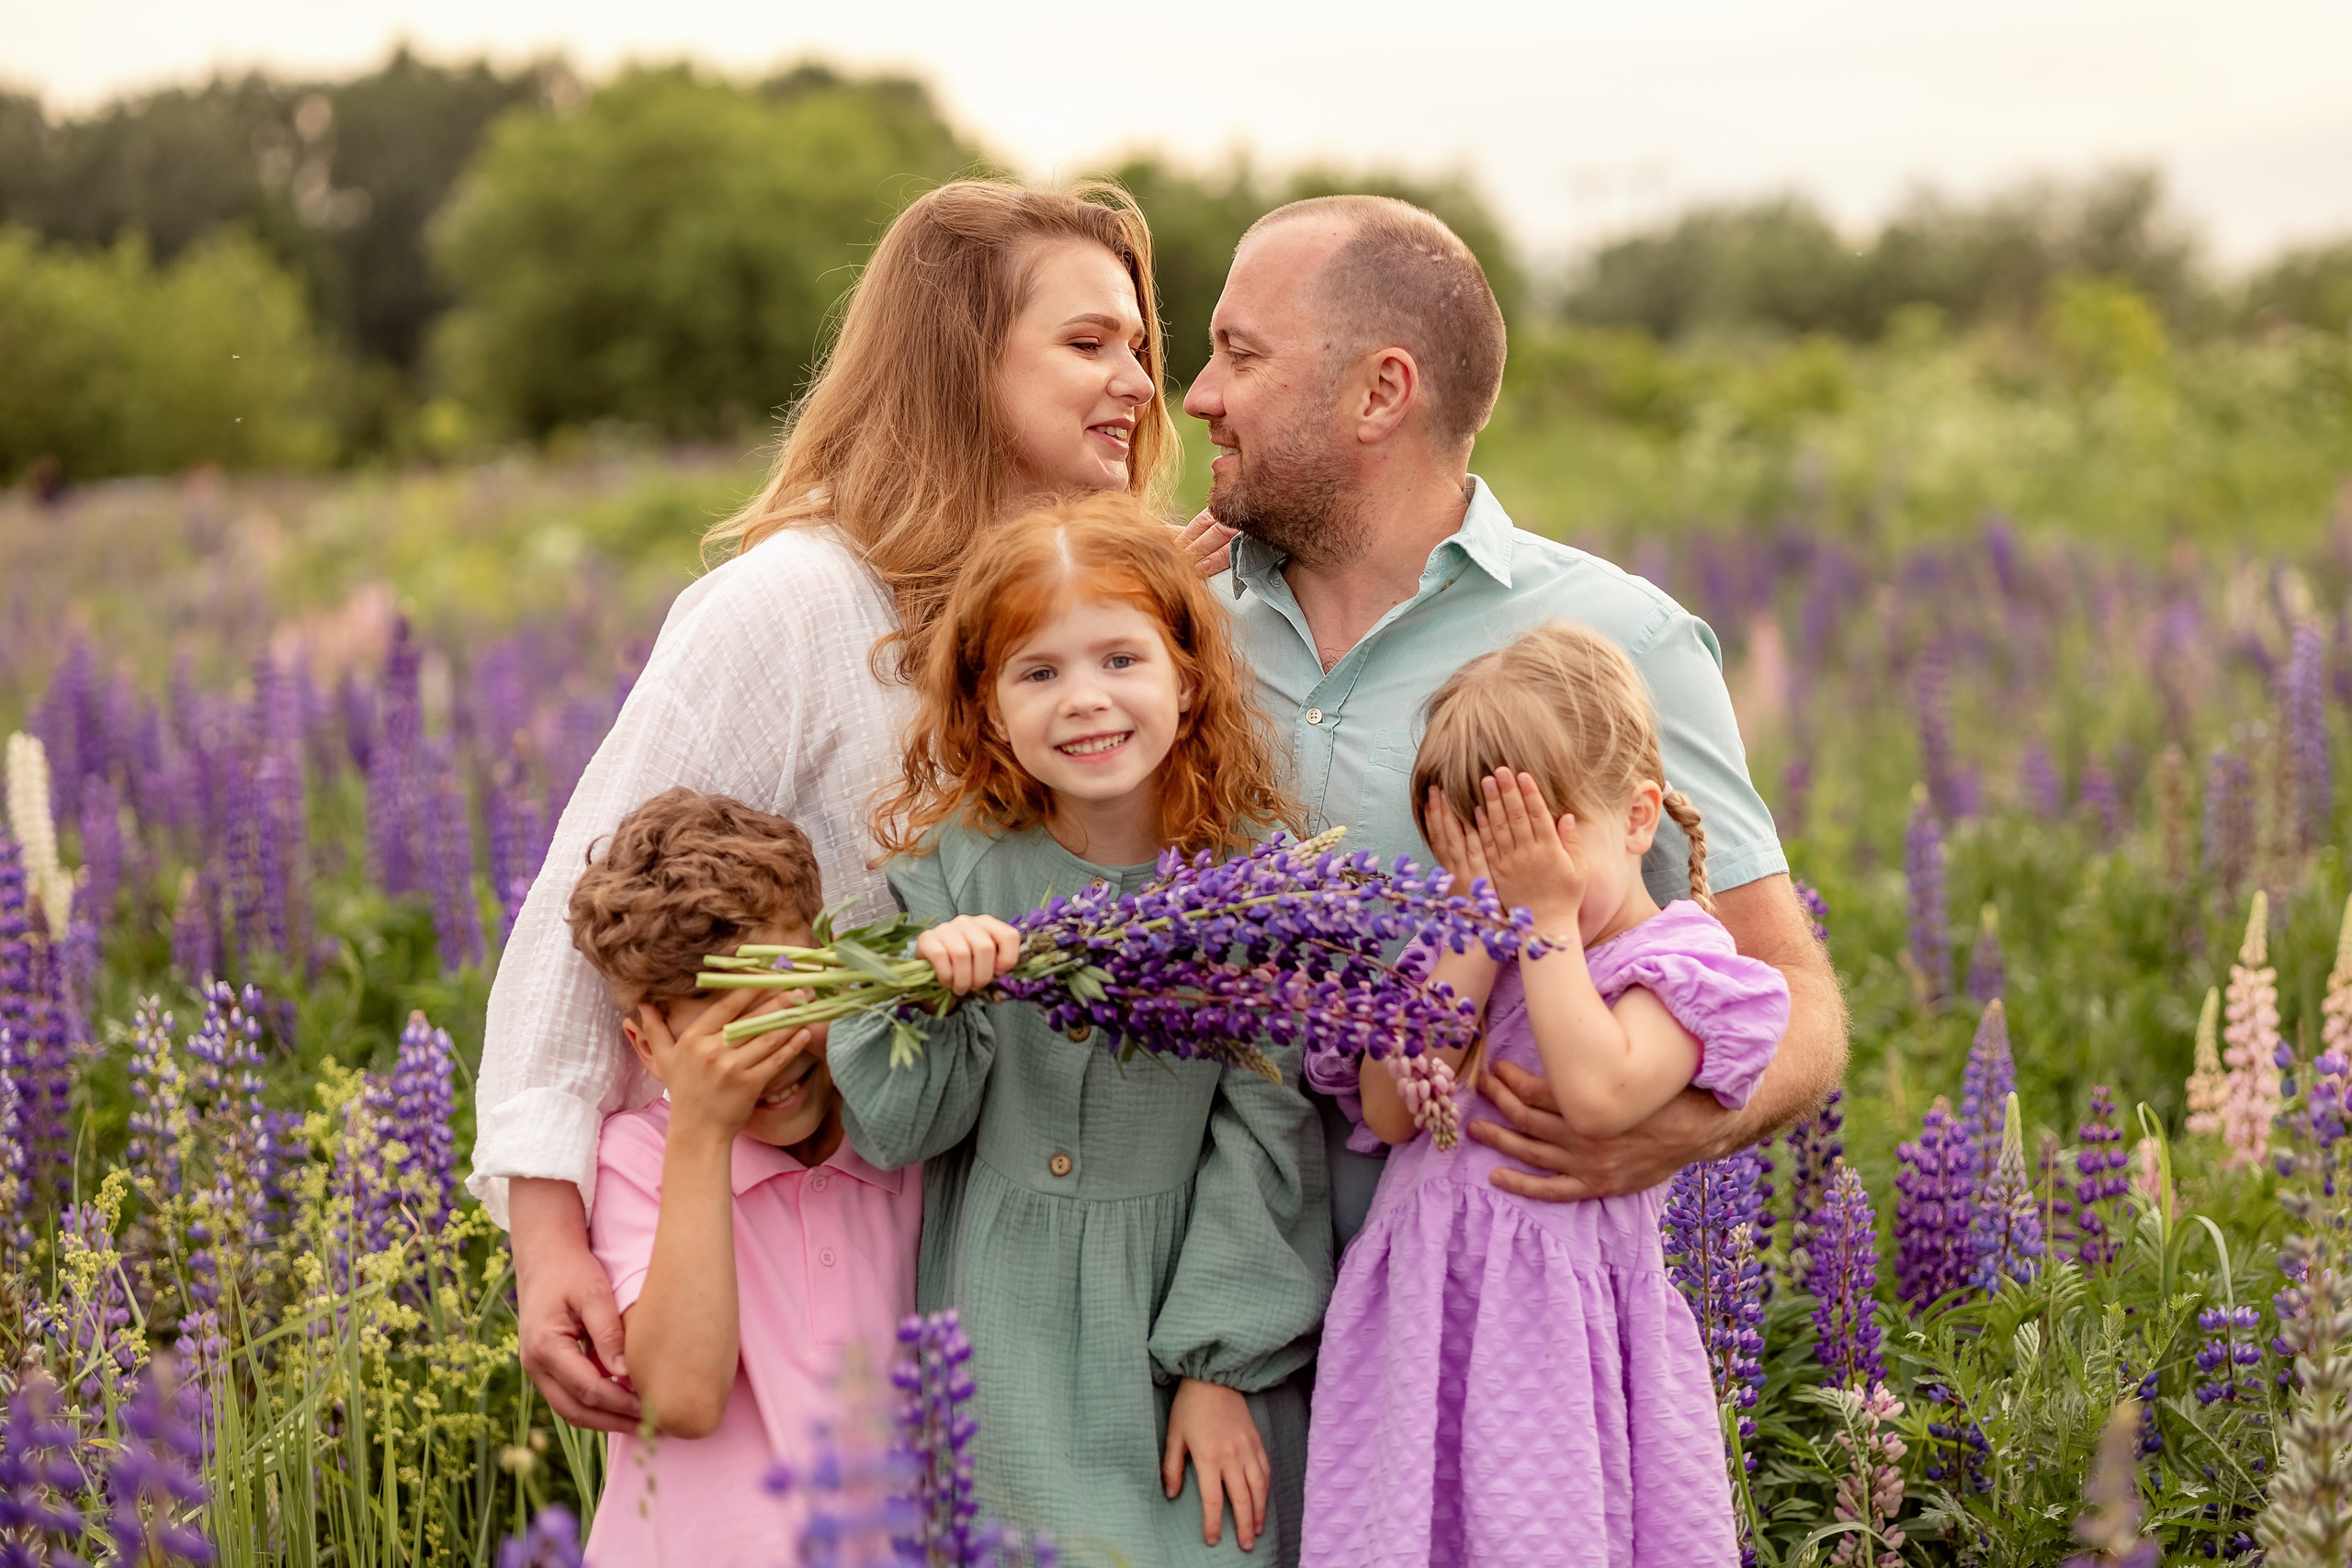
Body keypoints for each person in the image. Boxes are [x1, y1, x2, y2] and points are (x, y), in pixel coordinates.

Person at [472, 177, 1182, 1437]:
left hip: (965, 1232)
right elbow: (583, 906)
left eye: (1138, 344)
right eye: (1087, 343)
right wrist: (547, 1230)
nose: (1135, 377)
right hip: (757, 1225)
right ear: (961, 361)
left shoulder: (1081, 625)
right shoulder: (797, 601)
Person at [1176, 195, 1846, 1243]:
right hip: (1198, 1323)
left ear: (1380, 391)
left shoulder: (1617, 639)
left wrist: (1678, 1126)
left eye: (1240, 355)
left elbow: (1789, 990)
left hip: (1483, 1331)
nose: (1199, 394)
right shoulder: (1169, 635)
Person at [829, 495, 1332, 1568]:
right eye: (1039, 672)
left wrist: (1219, 1365)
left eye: (1118, 658)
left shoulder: (1246, 888)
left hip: (1179, 1325)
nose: (1085, 701)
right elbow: (897, 1129)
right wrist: (931, 994)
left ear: (1187, 676)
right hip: (997, 1323)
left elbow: (1267, 1134)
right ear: (986, 704)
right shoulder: (954, 873)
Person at [1301, 625, 1790, 1566]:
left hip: (1564, 1341)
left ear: (1637, 817)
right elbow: (1396, 1106)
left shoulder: (1674, 966)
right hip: (1425, 1328)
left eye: (1540, 841)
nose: (1511, 877)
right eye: (1479, 847)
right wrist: (1477, 924)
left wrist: (1547, 922)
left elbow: (1600, 1093)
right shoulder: (1461, 950)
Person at [560, 787, 920, 1560]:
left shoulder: (906, 1135)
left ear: (830, 954)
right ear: (648, 1046)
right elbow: (683, 1399)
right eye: (723, 1038)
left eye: (784, 1004)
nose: (770, 1057)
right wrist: (700, 1130)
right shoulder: (641, 1159)